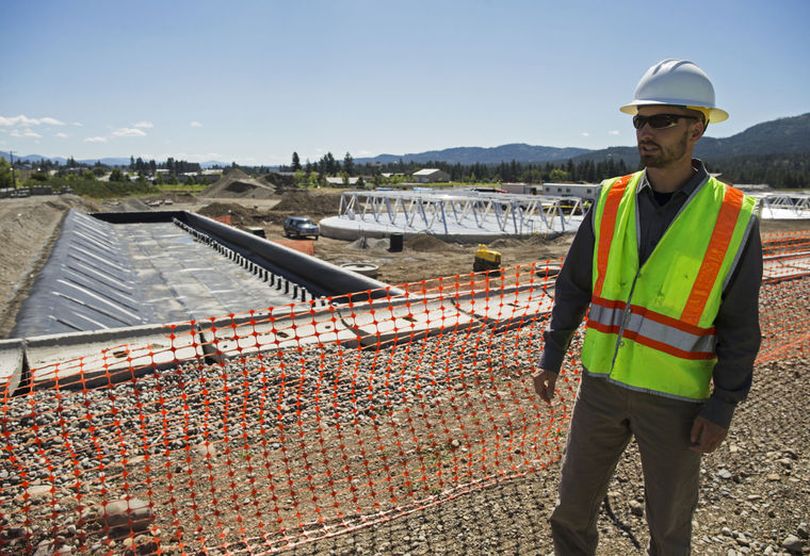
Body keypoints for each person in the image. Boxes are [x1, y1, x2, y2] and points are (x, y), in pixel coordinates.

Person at [533, 59, 763, 555]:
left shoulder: (732, 217)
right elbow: (574, 286)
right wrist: (552, 357)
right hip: (600, 388)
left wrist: (722, 405)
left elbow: (742, 325)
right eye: (640, 120)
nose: (645, 132)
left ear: (697, 127)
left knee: (669, 526)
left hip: (675, 401)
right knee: (570, 512)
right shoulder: (611, 198)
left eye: (662, 120)